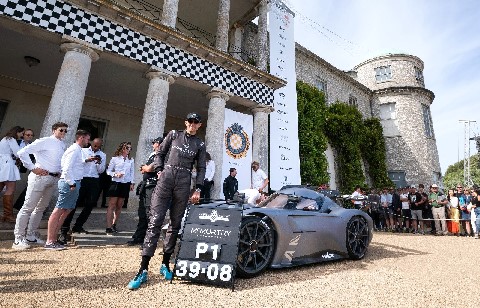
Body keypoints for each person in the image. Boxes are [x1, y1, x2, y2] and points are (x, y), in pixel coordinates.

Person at [127, 112, 206, 290]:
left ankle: (165, 264)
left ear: (199, 125)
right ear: (186, 122)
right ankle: (143, 269)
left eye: (196, 122)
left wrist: (198, 188)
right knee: (154, 222)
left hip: (184, 181)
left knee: (175, 224)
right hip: (166, 178)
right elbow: (159, 153)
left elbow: (201, 167)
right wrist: (160, 170)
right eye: (190, 121)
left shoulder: (200, 144)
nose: (193, 124)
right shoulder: (173, 134)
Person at [13, 122, 67, 250]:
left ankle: (30, 235)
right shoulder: (45, 141)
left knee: (40, 208)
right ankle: (18, 238)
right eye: (61, 130)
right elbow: (22, 152)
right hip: (39, 177)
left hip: (53, 178)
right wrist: (32, 168)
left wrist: (60, 171)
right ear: (54, 130)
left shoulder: (62, 144)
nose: (63, 133)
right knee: (28, 207)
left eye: (65, 131)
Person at [44, 130, 91, 250]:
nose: (88, 141)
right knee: (59, 210)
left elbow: (75, 165)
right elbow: (66, 168)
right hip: (70, 182)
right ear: (81, 138)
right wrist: (71, 183)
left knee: (67, 210)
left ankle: (54, 238)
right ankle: (50, 241)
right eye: (87, 139)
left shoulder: (78, 150)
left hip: (74, 182)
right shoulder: (74, 149)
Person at [59, 138, 106, 242]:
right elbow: (77, 164)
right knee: (74, 204)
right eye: (95, 145)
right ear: (91, 143)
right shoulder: (82, 151)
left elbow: (101, 170)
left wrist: (98, 162)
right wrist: (87, 160)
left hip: (94, 180)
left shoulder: (103, 155)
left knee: (90, 204)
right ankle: (64, 230)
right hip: (82, 178)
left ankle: (78, 226)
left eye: (98, 146)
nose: (96, 147)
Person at [127, 136, 163, 246]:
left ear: (159, 144)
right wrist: (144, 167)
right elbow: (145, 168)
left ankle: (149, 240)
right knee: (142, 213)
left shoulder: (162, 155)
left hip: (153, 186)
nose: (153, 145)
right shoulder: (152, 155)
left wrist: (145, 168)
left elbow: (150, 168)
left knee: (149, 213)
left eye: (155, 143)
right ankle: (139, 236)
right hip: (146, 185)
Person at [106, 142, 135, 235]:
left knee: (119, 205)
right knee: (112, 204)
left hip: (125, 183)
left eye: (130, 148)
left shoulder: (130, 160)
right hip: (116, 182)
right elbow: (108, 171)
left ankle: (114, 224)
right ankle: (108, 226)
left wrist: (132, 183)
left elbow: (132, 172)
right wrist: (115, 174)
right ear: (122, 148)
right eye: (127, 147)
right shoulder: (115, 159)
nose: (128, 150)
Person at [0, 126, 24, 222]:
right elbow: (18, 153)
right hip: (7, 164)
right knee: (10, 188)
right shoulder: (11, 139)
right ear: (17, 132)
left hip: (3, 163)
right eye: (21, 133)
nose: (21, 136)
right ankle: (8, 215)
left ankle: (7, 214)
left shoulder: (5, 139)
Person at [14, 129, 35, 210]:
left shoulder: (33, 146)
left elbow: (32, 158)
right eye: (27, 135)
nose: (29, 136)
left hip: (21, 169)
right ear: (23, 135)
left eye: (31, 135)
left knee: (13, 187)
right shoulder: (16, 142)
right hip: (10, 166)